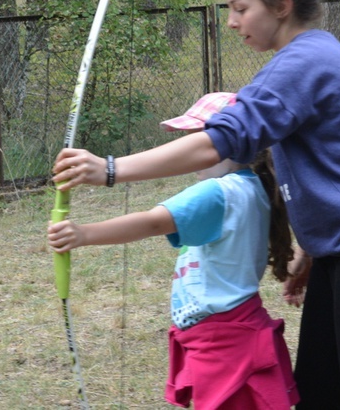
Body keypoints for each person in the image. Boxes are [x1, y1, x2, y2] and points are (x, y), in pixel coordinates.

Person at [52, 0, 340, 409]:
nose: (231, 23)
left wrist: (109, 169)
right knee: (319, 394)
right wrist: (315, 253)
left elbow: (218, 141)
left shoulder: (303, 63)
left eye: (239, 8)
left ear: (281, 6)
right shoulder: (313, 56)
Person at [48, 92, 300, 409]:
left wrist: (82, 234)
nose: (191, 150)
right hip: (232, 332)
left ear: (232, 146)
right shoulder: (252, 186)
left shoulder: (218, 193)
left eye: (200, 139)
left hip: (224, 342)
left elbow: (153, 223)